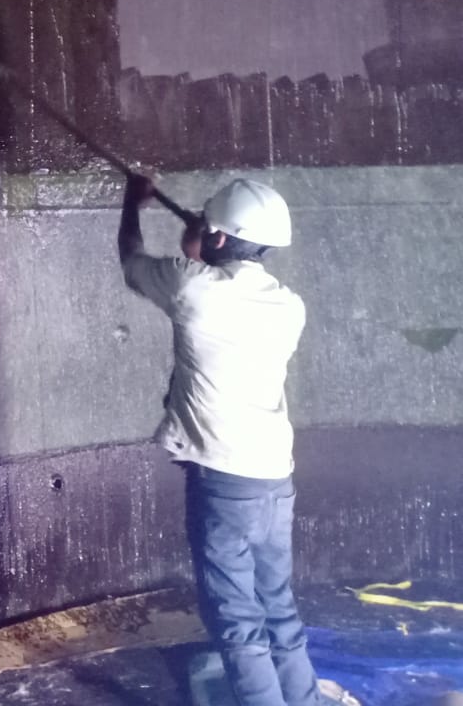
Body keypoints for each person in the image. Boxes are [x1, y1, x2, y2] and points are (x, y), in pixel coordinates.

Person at [118, 173, 356, 706]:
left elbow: (133, 262)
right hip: (274, 481)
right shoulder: (288, 305)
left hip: (223, 484)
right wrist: (204, 242)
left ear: (218, 236)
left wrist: (133, 204)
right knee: (277, 608)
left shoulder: (191, 287)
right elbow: (208, 284)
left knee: (237, 621)